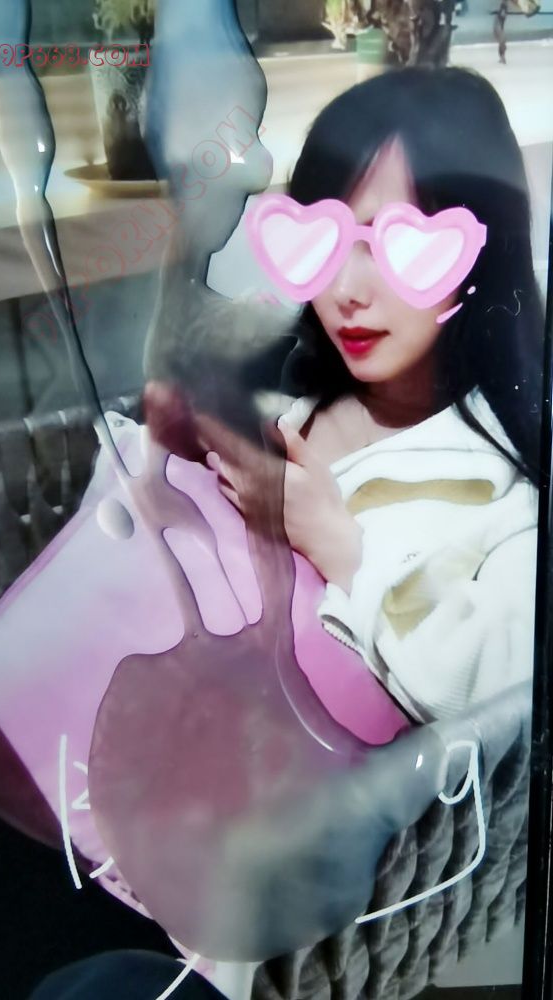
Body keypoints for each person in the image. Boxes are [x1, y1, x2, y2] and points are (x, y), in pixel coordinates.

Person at [202, 67, 543, 722]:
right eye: (325, 240)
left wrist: (339, 545)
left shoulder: (515, 492)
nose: (345, 291)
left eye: (399, 245)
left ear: (481, 250)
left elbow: (500, 697)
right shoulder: (290, 393)